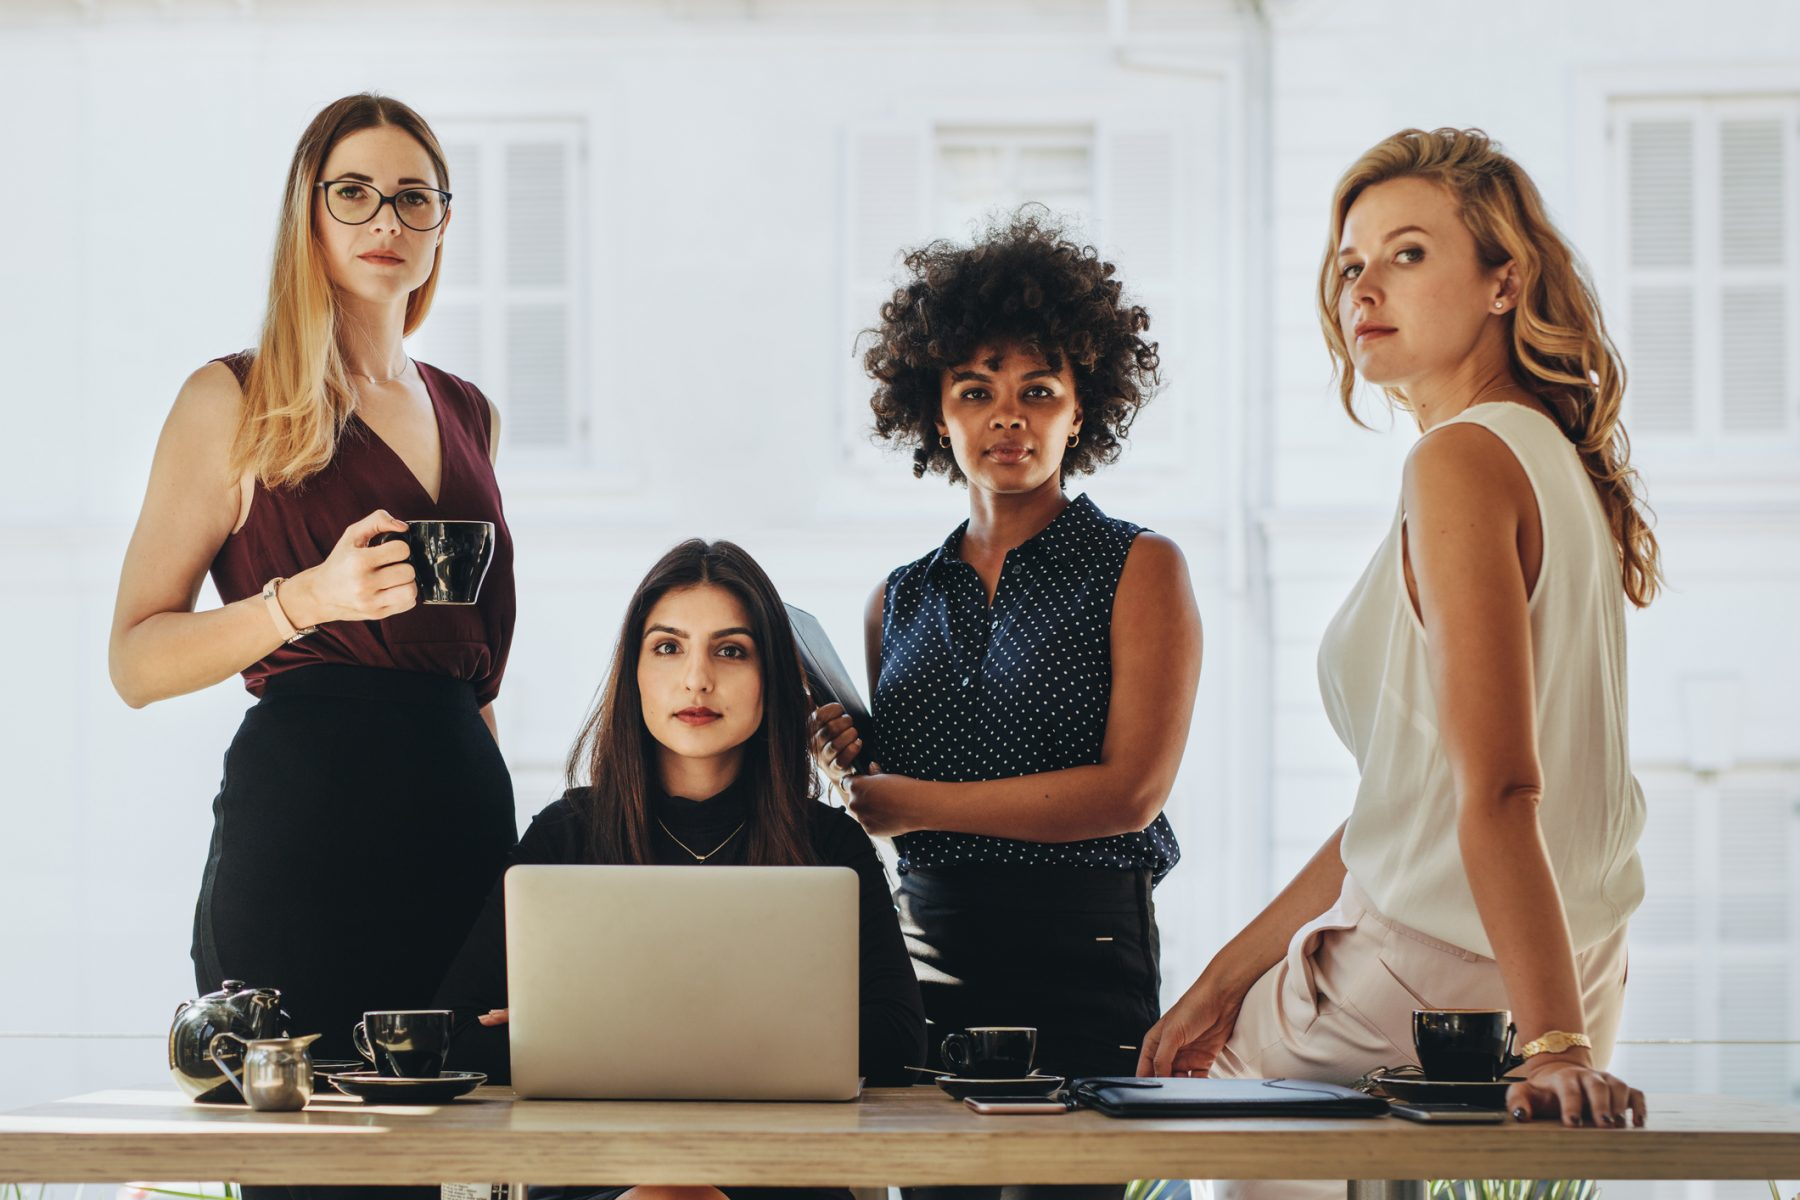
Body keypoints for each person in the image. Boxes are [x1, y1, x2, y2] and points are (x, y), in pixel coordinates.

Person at [1139, 128, 1655, 1198]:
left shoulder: (1460, 460)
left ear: (1504, 279)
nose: (1364, 286)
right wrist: (1222, 980)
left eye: (1409, 254)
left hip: (1434, 975)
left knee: (1192, 1127)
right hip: (1558, 958)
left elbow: (1502, 786)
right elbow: (1408, 809)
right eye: (1349, 265)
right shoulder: (1553, 462)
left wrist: (1553, 1044)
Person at [108, 93, 516, 1073]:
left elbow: (475, 672)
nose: (386, 220)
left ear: (443, 224)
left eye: (414, 198)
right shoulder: (232, 399)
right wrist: (305, 602)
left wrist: (510, 851)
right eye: (355, 193)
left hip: (460, 818)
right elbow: (135, 660)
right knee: (307, 1152)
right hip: (307, 825)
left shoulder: (471, 411)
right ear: (310, 214)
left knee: (466, 1152)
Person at [812, 210, 1203, 1200]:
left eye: (1039, 391)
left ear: (1084, 408)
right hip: (930, 955)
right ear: (933, 412)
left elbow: (1131, 794)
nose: (1008, 416)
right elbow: (892, 794)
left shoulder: (1140, 567)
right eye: (975, 391)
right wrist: (854, 759)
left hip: (1085, 955)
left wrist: (915, 805)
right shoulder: (897, 596)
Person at [436, 538, 927, 1200]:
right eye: (668, 647)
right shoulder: (567, 834)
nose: (697, 678)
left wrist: (586, 1035)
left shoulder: (827, 842)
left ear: (770, 677)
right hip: (601, 1171)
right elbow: (455, 1038)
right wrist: (766, 1039)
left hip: (780, 1171)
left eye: (731, 650)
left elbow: (899, 1044)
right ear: (634, 671)